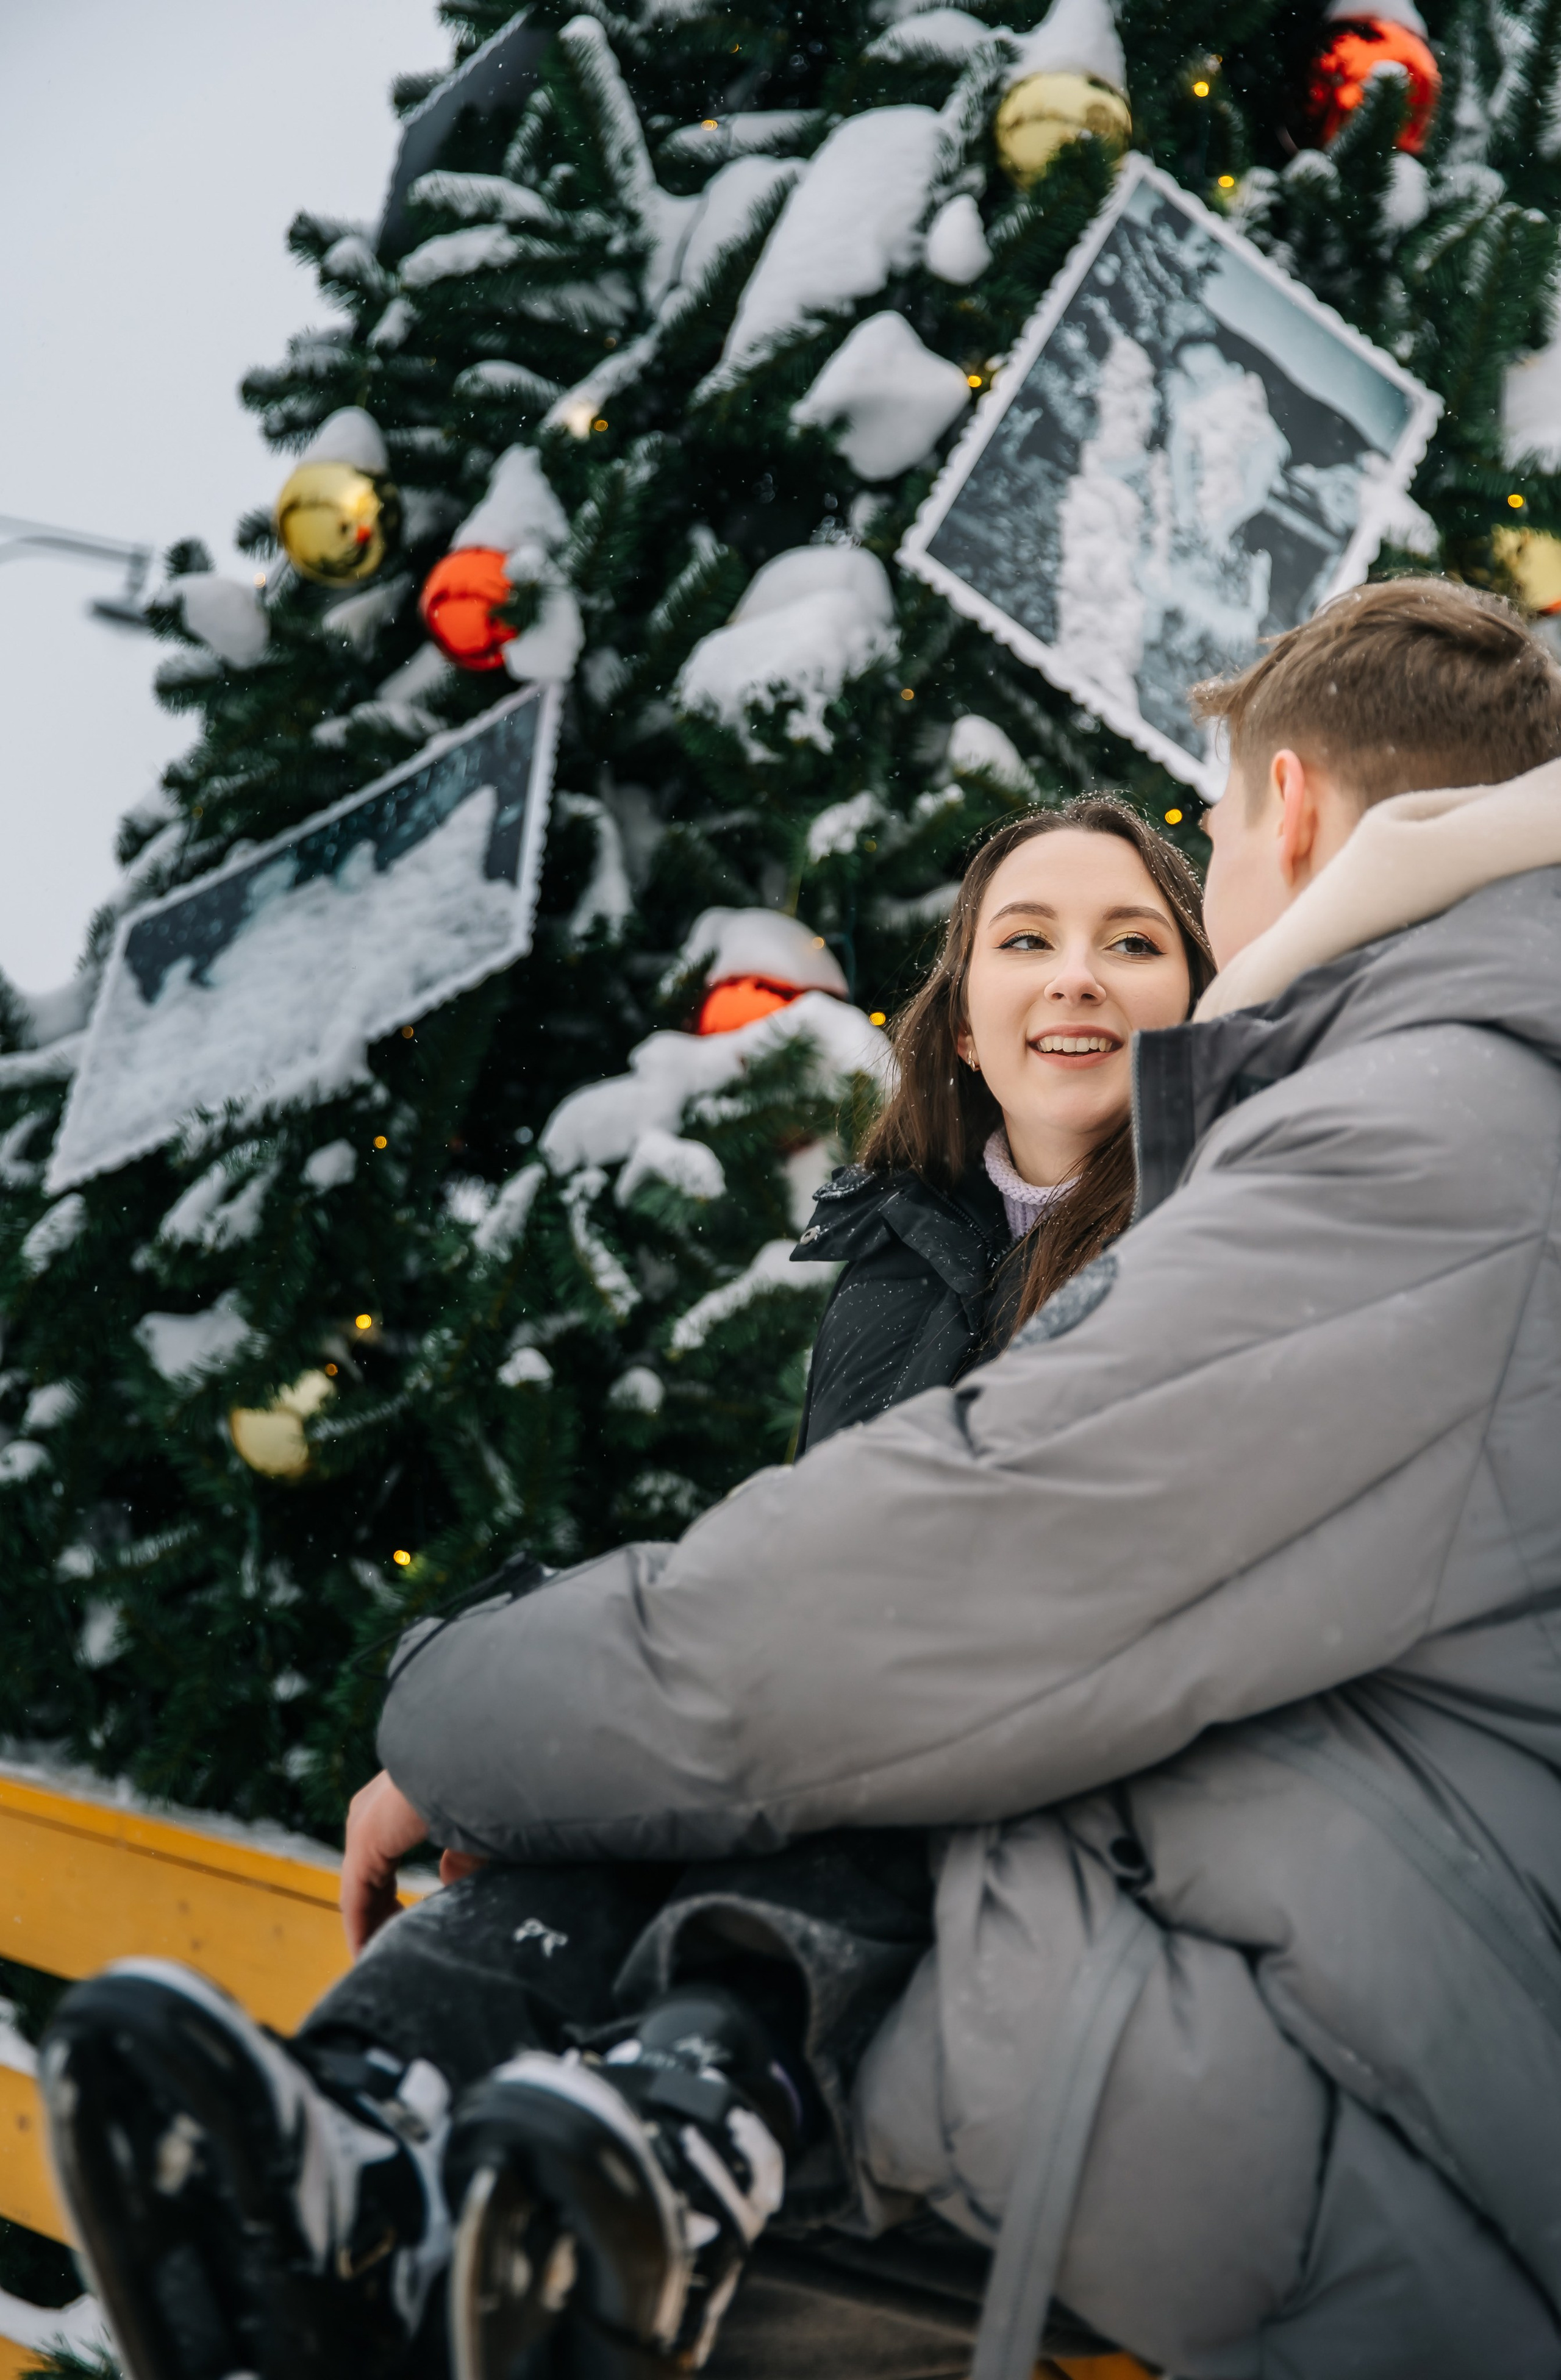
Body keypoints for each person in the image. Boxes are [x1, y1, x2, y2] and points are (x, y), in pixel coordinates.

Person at [43, 576, 1561, 2380]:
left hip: (1387, 2108)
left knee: (827, 1708)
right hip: (1320, 2008)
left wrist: (454, 1709)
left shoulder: (1409, 1129)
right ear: (957, 1008)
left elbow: (920, 1610)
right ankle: (383, 2123)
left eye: (1197, 848)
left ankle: (625, 2115)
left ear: (1289, 807)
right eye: (1017, 942)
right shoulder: (985, 1238)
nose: (1087, 974)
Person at [792, 798, 1213, 1452]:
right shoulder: (887, 1256)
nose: (1075, 979)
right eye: (1027, 940)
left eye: (1133, 943)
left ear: (1198, 1005)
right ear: (964, 1030)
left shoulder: (1235, 1245)